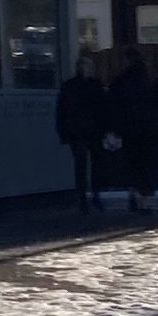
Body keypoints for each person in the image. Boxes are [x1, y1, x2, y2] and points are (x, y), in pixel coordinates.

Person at [107, 45, 158, 213]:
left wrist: (115, 128)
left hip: (130, 130)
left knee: (132, 163)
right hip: (150, 129)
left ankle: (133, 193)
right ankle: (144, 199)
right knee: (147, 164)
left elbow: (113, 106)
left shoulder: (120, 81)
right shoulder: (151, 80)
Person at [54, 51, 110, 213]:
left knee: (81, 165)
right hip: (91, 131)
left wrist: (63, 132)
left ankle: (84, 198)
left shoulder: (69, 86)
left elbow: (61, 111)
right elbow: (103, 110)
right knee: (94, 164)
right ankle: (94, 195)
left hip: (77, 132)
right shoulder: (95, 86)